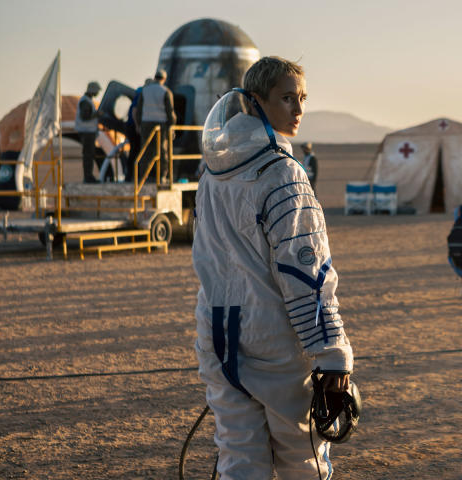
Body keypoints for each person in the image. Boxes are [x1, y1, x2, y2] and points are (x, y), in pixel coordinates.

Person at [192, 56, 354, 479]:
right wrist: (332, 355)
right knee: (302, 459)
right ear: (256, 101)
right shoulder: (283, 175)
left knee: (240, 458)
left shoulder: (211, 172)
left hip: (218, 333)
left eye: (301, 98)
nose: (298, 110)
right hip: (274, 340)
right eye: (286, 98)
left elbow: (206, 255)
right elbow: (306, 275)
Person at [136, 69, 175, 182]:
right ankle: (162, 176)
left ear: (155, 77)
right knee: (162, 150)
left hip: (146, 123)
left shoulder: (145, 90)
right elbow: (170, 112)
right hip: (160, 125)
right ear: (164, 79)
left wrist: (139, 124)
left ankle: (143, 177)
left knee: (145, 150)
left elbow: (139, 109)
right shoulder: (165, 91)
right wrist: (171, 127)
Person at [74, 81, 102, 183]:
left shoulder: (87, 100)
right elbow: (85, 116)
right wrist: (97, 115)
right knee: (88, 155)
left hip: (89, 131)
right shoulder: (85, 101)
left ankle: (89, 176)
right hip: (87, 132)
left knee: (89, 155)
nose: (98, 93)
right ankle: (88, 177)